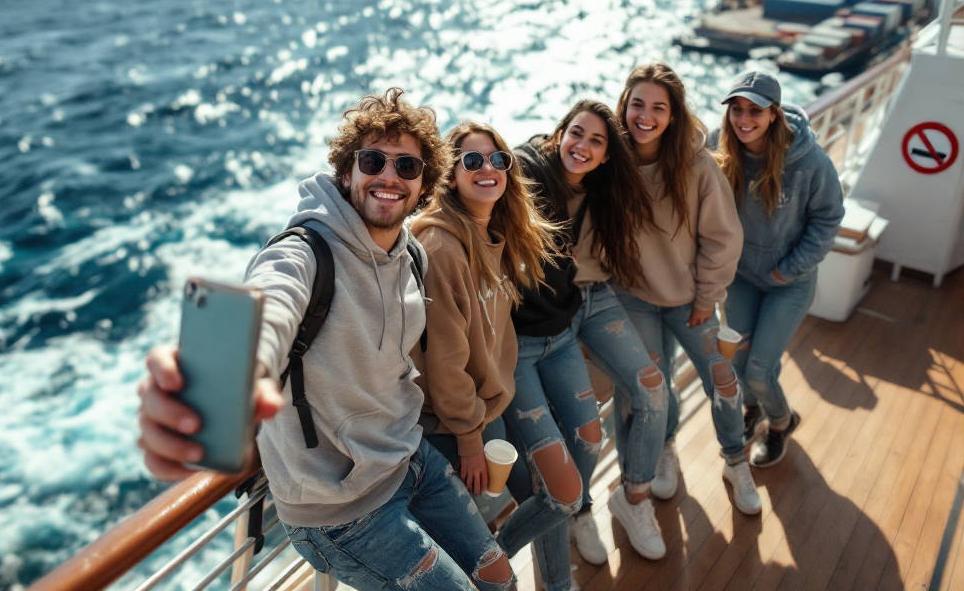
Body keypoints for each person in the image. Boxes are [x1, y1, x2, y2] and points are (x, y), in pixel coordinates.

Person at [136, 89, 517, 591]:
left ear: (424, 185)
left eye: (407, 166)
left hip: (410, 460)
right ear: (347, 172)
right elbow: (273, 298)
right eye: (373, 159)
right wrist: (233, 370)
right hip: (340, 510)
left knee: (501, 578)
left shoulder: (413, 258)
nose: (389, 175)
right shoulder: (307, 252)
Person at [410, 121, 577, 591]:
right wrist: (468, 437)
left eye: (498, 159)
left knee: (554, 501)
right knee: (476, 562)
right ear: (450, 174)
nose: (489, 168)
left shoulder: (492, 236)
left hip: (488, 412)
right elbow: (444, 358)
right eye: (472, 160)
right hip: (452, 427)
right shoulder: (441, 247)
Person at [513, 100, 671, 563]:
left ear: (607, 156)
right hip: (544, 317)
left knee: (653, 392)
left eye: (596, 141)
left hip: (594, 298)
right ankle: (579, 510)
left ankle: (633, 498)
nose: (582, 146)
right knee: (579, 433)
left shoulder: (608, 186)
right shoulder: (532, 175)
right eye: (575, 133)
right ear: (558, 134)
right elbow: (515, 162)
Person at [615, 62, 760, 516]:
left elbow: (724, 236)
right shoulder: (611, 161)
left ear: (673, 115)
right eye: (637, 103)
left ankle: (736, 461)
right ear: (624, 106)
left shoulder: (696, 166)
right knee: (655, 390)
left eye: (658, 107)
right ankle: (665, 448)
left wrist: (706, 297)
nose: (646, 115)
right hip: (633, 297)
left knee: (723, 381)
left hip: (690, 302)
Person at [710, 71, 844, 468]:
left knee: (758, 370)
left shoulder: (808, 162)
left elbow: (828, 218)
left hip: (789, 283)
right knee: (738, 361)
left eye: (754, 110)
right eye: (736, 109)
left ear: (774, 114)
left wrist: (790, 269)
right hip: (741, 279)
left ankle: (782, 423)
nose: (743, 118)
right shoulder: (720, 150)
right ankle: (753, 411)